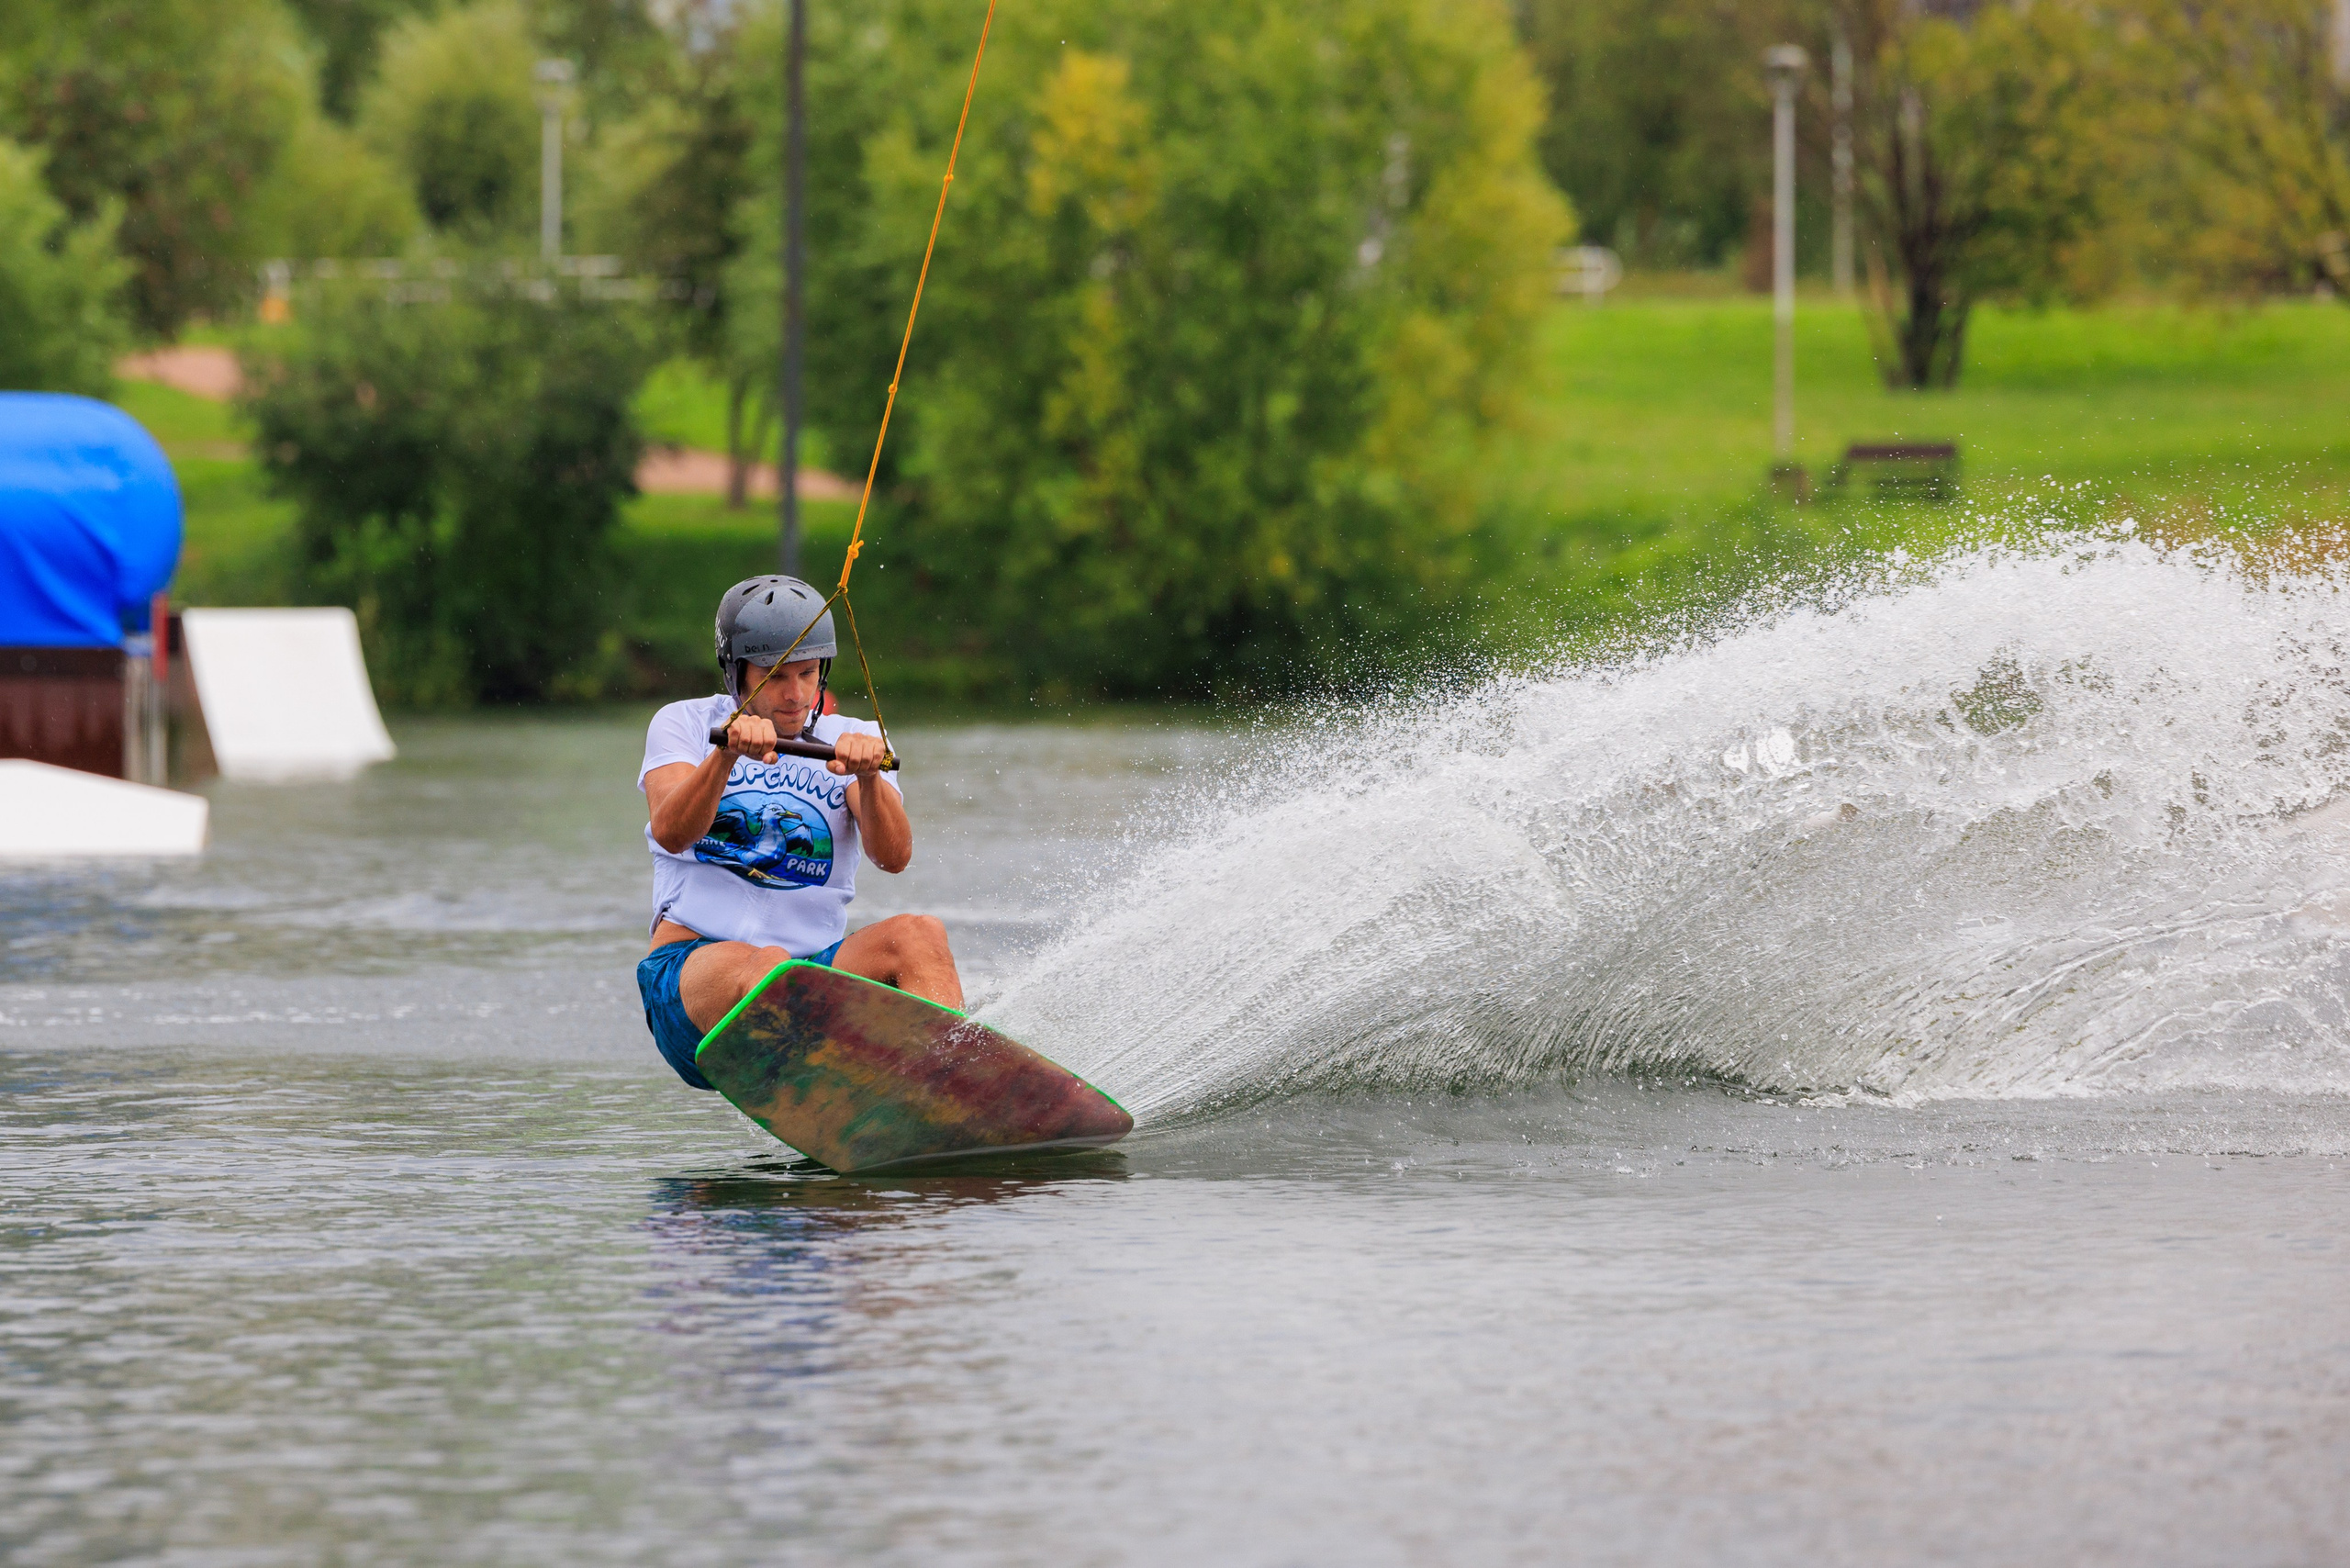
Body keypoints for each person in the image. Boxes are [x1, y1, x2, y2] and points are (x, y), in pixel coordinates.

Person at [635, 575, 963, 1091]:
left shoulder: (855, 737)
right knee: (770, 969)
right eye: (775, 677)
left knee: (920, 935)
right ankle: (850, 1080)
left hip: (809, 979)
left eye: (808, 674)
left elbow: (894, 857)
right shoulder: (685, 724)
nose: (795, 695)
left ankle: (949, 1081)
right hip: (689, 984)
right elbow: (672, 832)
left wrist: (869, 777)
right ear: (736, 672)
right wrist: (724, 757)